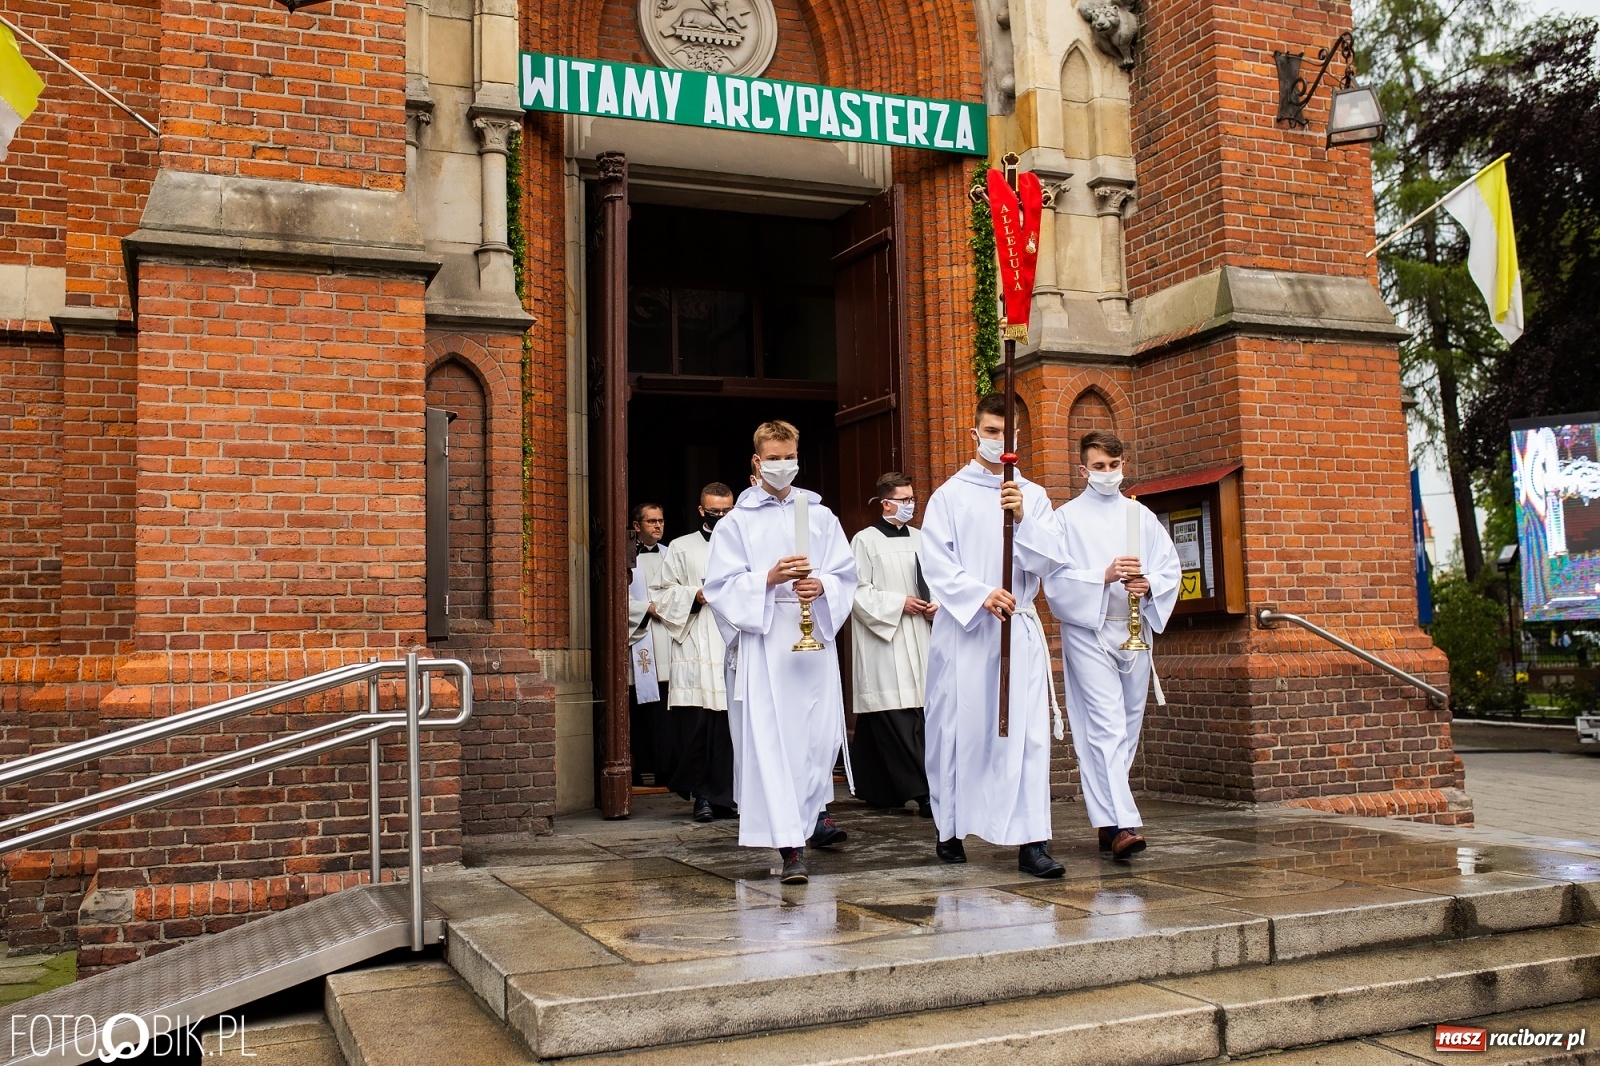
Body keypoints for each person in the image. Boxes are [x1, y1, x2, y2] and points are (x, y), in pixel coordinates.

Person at [919, 393, 1072, 878]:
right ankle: (951, 828)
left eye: (1006, 434)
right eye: (990, 432)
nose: (998, 441)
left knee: (1022, 736)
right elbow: (935, 562)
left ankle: (1032, 841)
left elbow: (1051, 560)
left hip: (1017, 628)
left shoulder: (1035, 495)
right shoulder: (949, 495)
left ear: (1019, 438)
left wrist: (1024, 518)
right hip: (966, 632)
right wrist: (979, 593)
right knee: (958, 728)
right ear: (975, 434)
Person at [703, 421, 857, 884]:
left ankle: (812, 821)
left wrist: (823, 585)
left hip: (812, 645)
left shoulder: (820, 516)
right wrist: (767, 580)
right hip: (767, 642)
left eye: (788, 456)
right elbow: (719, 588)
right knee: (773, 743)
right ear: (757, 461)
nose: (782, 465)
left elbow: (846, 574)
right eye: (773, 458)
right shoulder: (737, 523)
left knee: (813, 742)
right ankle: (790, 848)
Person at [1041, 430, 1181, 860]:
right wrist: (1101, 576)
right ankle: (1123, 823)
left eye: (1114, 466)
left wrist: (1150, 583)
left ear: (1124, 465)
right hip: (1090, 630)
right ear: (1083, 469)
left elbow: (1170, 567)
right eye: (1098, 467)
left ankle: (1106, 819)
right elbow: (1055, 580)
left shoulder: (1141, 517)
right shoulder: (1064, 519)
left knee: (1128, 725)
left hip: (1135, 629)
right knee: (1105, 725)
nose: (1107, 474)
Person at [848, 472, 936, 815]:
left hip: (921, 633)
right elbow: (855, 591)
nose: (910, 506)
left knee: (916, 714)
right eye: (903, 500)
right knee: (894, 714)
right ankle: (923, 790)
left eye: (912, 499)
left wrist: (935, 606)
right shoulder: (865, 541)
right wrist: (899, 603)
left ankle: (876, 787)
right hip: (886, 639)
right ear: (885, 503)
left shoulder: (921, 538)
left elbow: (937, 581)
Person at [652, 483, 739, 822]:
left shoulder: (744, 546)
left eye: (727, 512)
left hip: (732, 640)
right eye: (715, 512)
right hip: (696, 639)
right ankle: (702, 796)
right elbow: (661, 593)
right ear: (701, 511)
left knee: (729, 728)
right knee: (698, 726)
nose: (721, 517)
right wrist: (694, 595)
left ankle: (724, 797)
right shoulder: (681, 546)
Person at [627, 503, 673, 786]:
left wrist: (666, 607)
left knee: (666, 712)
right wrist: (646, 609)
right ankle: (638, 768)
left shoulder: (672, 555)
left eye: (661, 521)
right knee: (641, 712)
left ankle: (666, 771)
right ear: (636, 526)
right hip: (641, 637)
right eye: (651, 521)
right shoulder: (626, 557)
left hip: (667, 639)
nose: (657, 526)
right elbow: (616, 596)